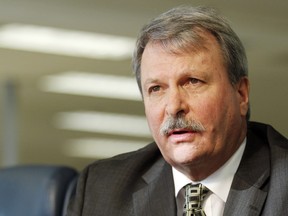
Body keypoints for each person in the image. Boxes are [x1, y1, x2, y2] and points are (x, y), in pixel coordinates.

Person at [67, 5, 288, 216]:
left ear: (241, 94)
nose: (174, 107)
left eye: (193, 82)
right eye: (156, 89)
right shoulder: (102, 188)